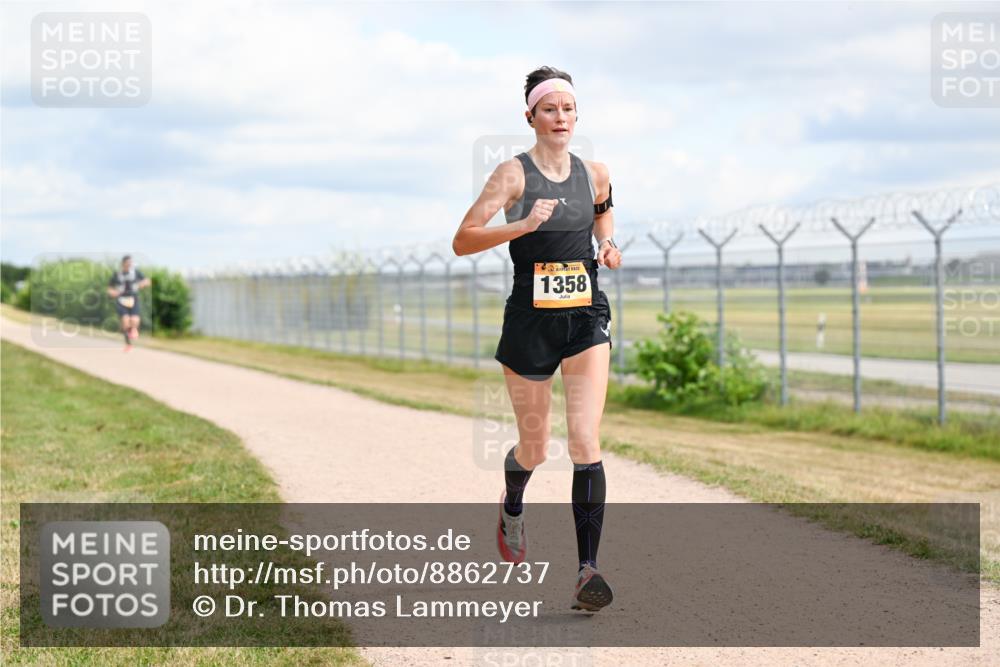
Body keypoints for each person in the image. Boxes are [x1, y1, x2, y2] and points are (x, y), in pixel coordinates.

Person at [452, 66, 623, 612]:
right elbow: (463, 240)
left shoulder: (595, 173)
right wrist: (522, 226)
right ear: (530, 116)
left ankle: (587, 571)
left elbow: (603, 212)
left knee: (584, 440)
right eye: (549, 109)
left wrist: (607, 245)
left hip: (585, 317)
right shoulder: (512, 174)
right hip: (529, 319)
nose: (560, 117)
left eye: (568, 109)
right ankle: (513, 503)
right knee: (535, 446)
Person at [107, 255, 150, 350]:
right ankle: (128, 343)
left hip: (133, 298)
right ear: (123, 264)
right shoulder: (117, 274)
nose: (129, 264)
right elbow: (109, 288)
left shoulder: (136, 273)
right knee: (126, 321)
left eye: (130, 263)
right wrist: (112, 292)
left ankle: (131, 331)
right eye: (127, 263)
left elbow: (147, 281)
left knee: (135, 320)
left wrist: (142, 284)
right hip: (121, 299)